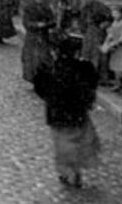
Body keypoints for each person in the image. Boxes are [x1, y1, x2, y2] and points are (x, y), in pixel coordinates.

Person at [32, 32, 103, 189]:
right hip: (78, 112)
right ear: (76, 52)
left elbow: (40, 87)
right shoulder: (84, 68)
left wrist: (52, 99)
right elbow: (92, 84)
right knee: (81, 140)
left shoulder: (50, 69)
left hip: (58, 114)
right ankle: (75, 171)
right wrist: (86, 101)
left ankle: (67, 172)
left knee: (63, 143)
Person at [70, 0, 114, 73]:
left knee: (98, 55)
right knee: (86, 54)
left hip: (98, 33)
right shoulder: (84, 9)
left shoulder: (100, 6)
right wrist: (81, 28)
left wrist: (104, 24)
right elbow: (81, 22)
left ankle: (100, 76)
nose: (88, 0)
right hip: (88, 35)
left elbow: (110, 18)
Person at [20, 0, 58, 82]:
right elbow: (26, 22)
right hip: (32, 36)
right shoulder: (29, 8)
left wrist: (45, 24)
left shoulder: (46, 8)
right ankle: (32, 78)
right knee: (31, 59)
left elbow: (53, 21)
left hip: (43, 36)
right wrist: (36, 25)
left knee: (43, 58)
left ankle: (42, 79)